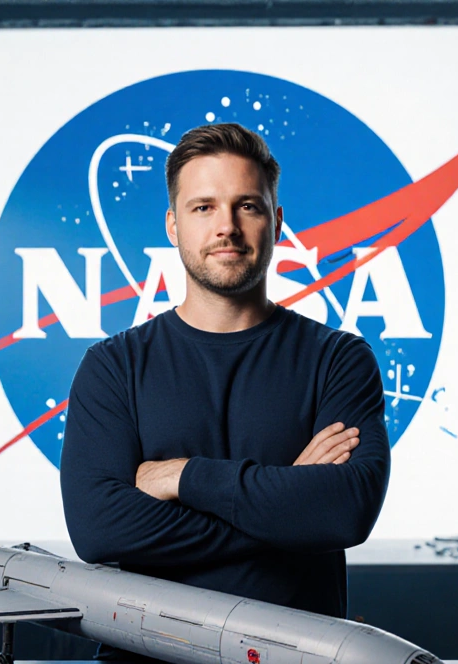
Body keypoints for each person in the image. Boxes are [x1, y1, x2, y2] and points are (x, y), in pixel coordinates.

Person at [59, 123, 389, 629]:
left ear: (276, 222)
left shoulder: (338, 359)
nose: (227, 227)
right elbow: (98, 530)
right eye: (203, 207)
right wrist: (286, 506)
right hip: (143, 663)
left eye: (248, 206)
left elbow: (345, 511)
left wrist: (181, 476)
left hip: (299, 662)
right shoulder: (113, 367)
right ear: (173, 226)